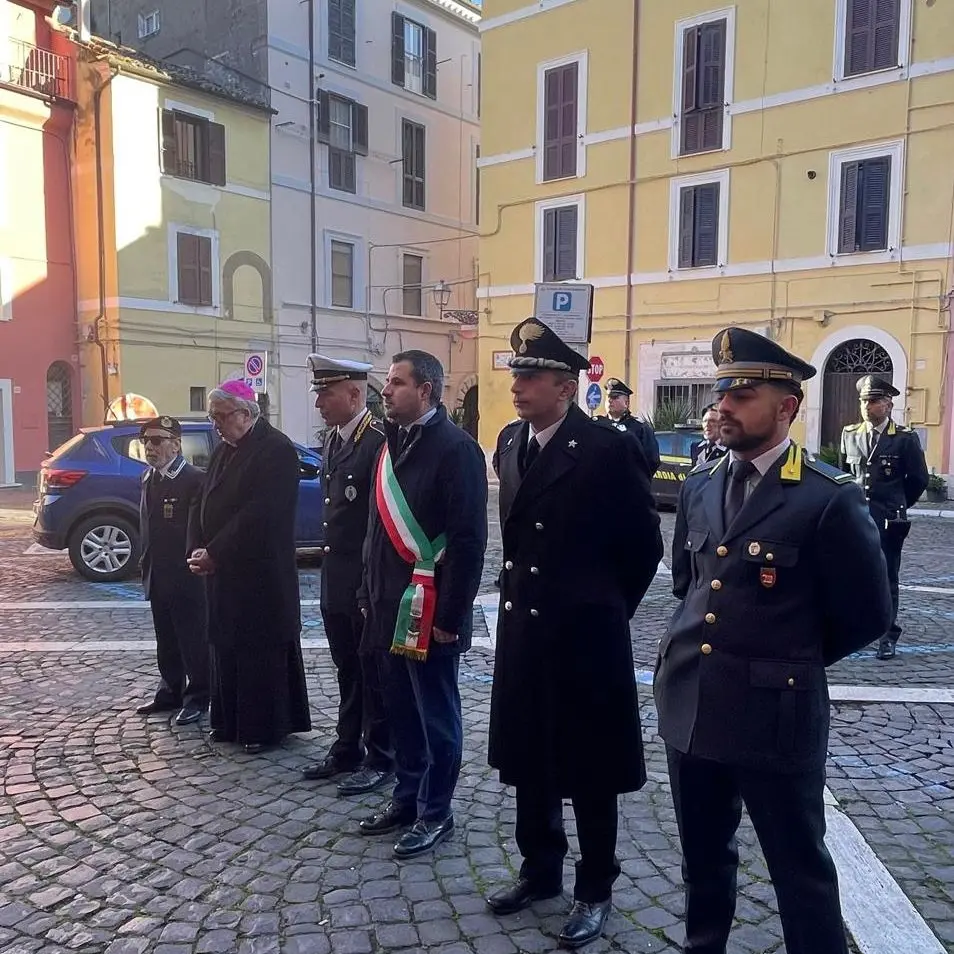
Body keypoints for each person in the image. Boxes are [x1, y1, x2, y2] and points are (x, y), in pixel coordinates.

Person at [655, 327, 892, 954]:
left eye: (744, 394)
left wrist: (784, 657)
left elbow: (867, 613)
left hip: (775, 713)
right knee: (703, 859)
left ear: (787, 406)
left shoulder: (826, 496)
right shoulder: (701, 484)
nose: (723, 406)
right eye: (721, 392)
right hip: (694, 703)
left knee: (799, 870)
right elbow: (690, 582)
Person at [487, 319, 663, 950]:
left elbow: (644, 546)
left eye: (530, 377)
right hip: (525, 633)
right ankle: (540, 870)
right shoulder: (512, 443)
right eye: (516, 375)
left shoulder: (607, 448)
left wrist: (603, 607)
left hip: (585, 638)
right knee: (530, 760)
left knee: (590, 771)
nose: (517, 387)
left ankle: (595, 887)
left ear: (565, 387)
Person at [356, 350, 487, 859]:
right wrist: (368, 596)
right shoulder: (390, 443)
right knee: (402, 711)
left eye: (395, 383)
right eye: (387, 383)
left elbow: (469, 540)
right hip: (389, 605)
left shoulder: (457, 449)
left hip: (432, 611)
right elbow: (375, 530)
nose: (385, 391)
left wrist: (452, 619)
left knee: (436, 715)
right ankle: (406, 797)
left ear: (426, 390)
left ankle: (436, 811)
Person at [187, 380, 311, 754]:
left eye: (221, 417)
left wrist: (218, 551)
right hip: (224, 571)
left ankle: (263, 727)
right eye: (213, 417)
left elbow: (260, 514)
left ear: (246, 413)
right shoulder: (228, 447)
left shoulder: (275, 449)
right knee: (226, 645)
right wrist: (197, 545)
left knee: (258, 651)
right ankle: (229, 721)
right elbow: (202, 499)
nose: (216, 425)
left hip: (259, 573)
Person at [300, 355, 392, 795]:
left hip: (364, 580)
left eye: (325, 392)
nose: (318, 401)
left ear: (354, 394)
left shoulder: (377, 441)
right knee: (346, 667)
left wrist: (364, 585)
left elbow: (378, 522)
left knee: (372, 671)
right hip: (336, 577)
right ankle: (346, 747)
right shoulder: (335, 440)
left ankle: (381, 756)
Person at [839, 375, 929, 660]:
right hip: (856, 518)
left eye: (874, 400)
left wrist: (898, 504)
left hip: (889, 519)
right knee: (853, 573)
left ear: (888, 405)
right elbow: (843, 475)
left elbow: (918, 479)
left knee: (888, 575)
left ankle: (888, 635)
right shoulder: (850, 433)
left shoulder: (904, 439)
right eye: (864, 400)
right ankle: (855, 627)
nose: (867, 406)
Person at [135, 415, 209, 726]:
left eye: (156, 441)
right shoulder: (148, 478)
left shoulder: (192, 479)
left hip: (186, 574)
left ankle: (199, 696)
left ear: (176, 445)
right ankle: (170, 690)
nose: (149, 448)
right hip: (159, 572)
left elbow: (201, 529)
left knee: (193, 639)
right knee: (165, 638)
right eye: (146, 441)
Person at [595, 377, 660, 476]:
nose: (609, 400)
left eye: (615, 397)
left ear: (626, 403)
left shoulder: (640, 429)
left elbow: (652, 461)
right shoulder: (598, 426)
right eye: (608, 397)